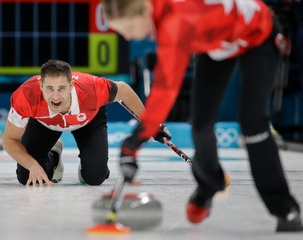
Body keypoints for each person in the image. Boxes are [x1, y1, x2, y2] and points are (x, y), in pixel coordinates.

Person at [102, 0, 303, 232]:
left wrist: (133, 143)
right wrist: (136, 141)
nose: (127, 37)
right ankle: (209, 184)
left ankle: (285, 208)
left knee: (253, 124)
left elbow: (165, 90)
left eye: (128, 29)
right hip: (218, 45)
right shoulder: (165, 19)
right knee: (200, 125)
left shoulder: (177, 22)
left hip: (258, 36)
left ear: (144, 10)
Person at [2, 59, 168, 187]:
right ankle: (53, 156)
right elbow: (9, 140)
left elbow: (123, 90)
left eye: (61, 88)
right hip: (45, 124)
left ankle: (89, 165)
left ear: (71, 85)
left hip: (89, 119)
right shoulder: (25, 95)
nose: (55, 96)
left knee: (95, 178)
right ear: (41, 85)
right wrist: (32, 165)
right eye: (49, 89)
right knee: (26, 178)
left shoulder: (92, 88)